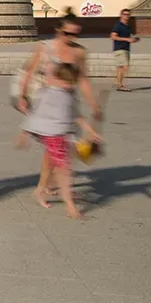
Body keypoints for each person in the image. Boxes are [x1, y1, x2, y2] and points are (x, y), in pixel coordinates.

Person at [17, 11, 100, 200]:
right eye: (67, 33)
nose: (71, 38)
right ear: (58, 31)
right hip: (47, 101)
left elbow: (83, 79)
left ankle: (46, 185)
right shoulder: (45, 48)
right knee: (57, 144)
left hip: (68, 101)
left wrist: (93, 103)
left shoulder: (79, 52)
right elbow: (29, 71)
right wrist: (22, 95)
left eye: (75, 34)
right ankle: (46, 186)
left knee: (57, 146)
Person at [23, 61, 99, 219]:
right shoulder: (48, 93)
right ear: (59, 79)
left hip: (64, 136)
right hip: (53, 136)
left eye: (72, 83)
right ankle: (70, 206)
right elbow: (36, 114)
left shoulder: (67, 94)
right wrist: (24, 133)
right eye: (68, 83)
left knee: (58, 166)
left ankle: (40, 191)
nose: (70, 86)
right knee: (65, 171)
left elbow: (75, 115)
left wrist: (90, 130)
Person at [111, 8, 139, 91]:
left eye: (128, 14)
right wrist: (127, 39)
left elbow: (127, 37)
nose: (126, 16)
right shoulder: (118, 25)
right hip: (119, 48)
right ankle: (120, 85)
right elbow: (113, 36)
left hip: (126, 48)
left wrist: (133, 39)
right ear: (121, 15)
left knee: (122, 67)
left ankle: (119, 84)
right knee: (124, 67)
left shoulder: (127, 26)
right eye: (125, 14)